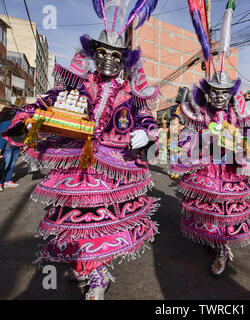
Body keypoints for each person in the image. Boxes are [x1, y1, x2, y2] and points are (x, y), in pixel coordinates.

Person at [2, 2, 160, 300]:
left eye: (116, 55)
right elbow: (46, 103)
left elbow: (146, 118)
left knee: (102, 221)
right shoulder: (77, 85)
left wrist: (146, 132)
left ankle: (97, 274)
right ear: (93, 54)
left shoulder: (129, 93)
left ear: (124, 59)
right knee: (76, 221)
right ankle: (86, 265)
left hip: (112, 169)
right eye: (102, 53)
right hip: (77, 167)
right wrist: (26, 119)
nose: (109, 60)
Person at [170, 71, 250, 275]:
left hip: (231, 170)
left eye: (224, 93)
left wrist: (249, 157)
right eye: (215, 92)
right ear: (208, 93)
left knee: (226, 213)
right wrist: (198, 143)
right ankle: (211, 239)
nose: (219, 97)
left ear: (231, 94)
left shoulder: (238, 114)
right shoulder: (201, 113)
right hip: (208, 168)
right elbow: (187, 134)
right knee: (208, 210)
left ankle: (222, 249)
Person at [0, 107, 20, 191]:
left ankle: (8, 180)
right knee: (5, 165)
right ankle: (0, 182)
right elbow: (2, 136)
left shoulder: (18, 124)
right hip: (8, 146)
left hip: (15, 146)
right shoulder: (6, 123)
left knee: (12, 164)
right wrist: (0, 148)